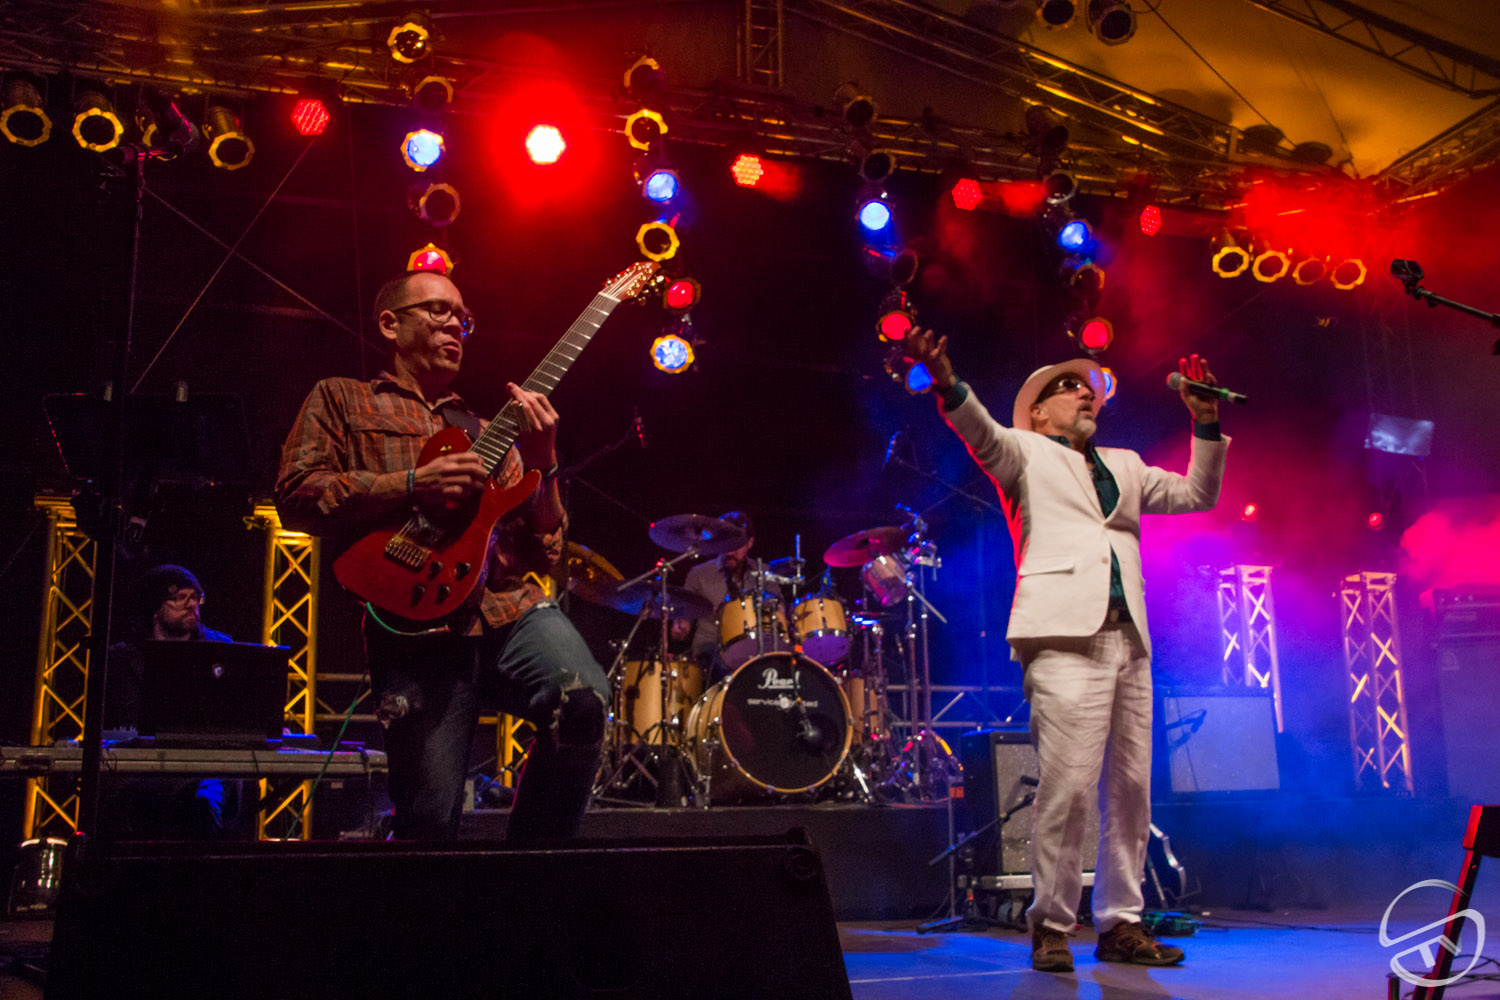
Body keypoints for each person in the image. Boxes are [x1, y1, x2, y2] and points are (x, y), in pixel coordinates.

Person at [905, 329, 1228, 972]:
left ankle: (1121, 923)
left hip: (1128, 636)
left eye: (1088, 387)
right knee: (1069, 787)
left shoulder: (1127, 463)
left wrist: (1206, 423)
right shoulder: (1023, 452)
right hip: (1060, 637)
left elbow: (1198, 494)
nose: (1084, 393)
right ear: (1039, 411)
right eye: (1067, 387)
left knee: (1131, 789)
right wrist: (946, 379)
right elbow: (980, 433)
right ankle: (1051, 924)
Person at [274, 268, 609, 841]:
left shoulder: (487, 429)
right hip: (416, 623)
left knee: (583, 703)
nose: (456, 324)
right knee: (428, 820)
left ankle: (534, 868)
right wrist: (411, 483)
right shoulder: (342, 398)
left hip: (505, 607)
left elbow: (544, 551)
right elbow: (297, 494)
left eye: (463, 318)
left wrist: (545, 461)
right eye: (437, 310)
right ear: (390, 324)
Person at [100, 563, 250, 840]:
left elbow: (239, 709)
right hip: (142, 768)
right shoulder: (124, 657)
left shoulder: (220, 646)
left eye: (196, 597)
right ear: (156, 607)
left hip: (207, 764)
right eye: (180, 598)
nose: (191, 605)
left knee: (208, 797)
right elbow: (119, 721)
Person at [672, 511, 783, 682]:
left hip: (755, 654)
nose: (731, 550)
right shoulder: (698, 574)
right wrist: (680, 627)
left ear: (750, 543)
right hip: (708, 657)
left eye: (737, 543)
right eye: (726, 542)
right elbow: (683, 620)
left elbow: (779, 612)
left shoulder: (764, 572)